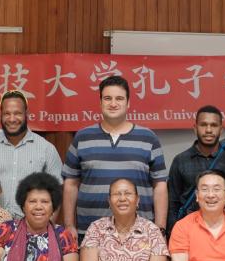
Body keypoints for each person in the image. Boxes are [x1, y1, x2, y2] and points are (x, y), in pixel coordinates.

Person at [62, 76, 167, 241]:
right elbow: (70, 184)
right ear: (100, 102)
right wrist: (69, 225)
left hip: (140, 234)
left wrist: (160, 228)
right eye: (107, 98)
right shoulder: (82, 137)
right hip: (90, 234)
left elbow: (160, 185)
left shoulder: (148, 138)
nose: (113, 103)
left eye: (119, 98)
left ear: (128, 103)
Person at [0, 91, 62, 218]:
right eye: (7, 114)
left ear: (26, 114)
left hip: (33, 226)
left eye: (17, 113)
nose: (12, 119)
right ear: (0, 115)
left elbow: (57, 191)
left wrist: (47, 225)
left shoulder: (47, 149)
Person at [167, 105, 225, 234]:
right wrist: (173, 234)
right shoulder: (180, 160)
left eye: (214, 125)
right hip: (190, 231)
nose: (208, 130)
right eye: (203, 125)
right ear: (195, 128)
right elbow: (173, 204)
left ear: (221, 130)